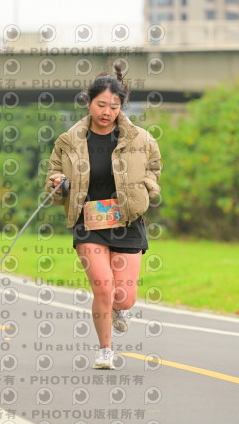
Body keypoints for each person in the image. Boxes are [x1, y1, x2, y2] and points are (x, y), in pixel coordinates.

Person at [44, 64, 161, 369]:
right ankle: (105, 350)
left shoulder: (140, 139)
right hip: (89, 222)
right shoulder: (69, 141)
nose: (107, 112)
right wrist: (57, 183)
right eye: (101, 105)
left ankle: (120, 309)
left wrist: (148, 187)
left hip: (127, 220)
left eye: (114, 106)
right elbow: (52, 176)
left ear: (121, 107)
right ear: (88, 103)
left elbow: (154, 168)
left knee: (123, 297)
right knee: (103, 288)